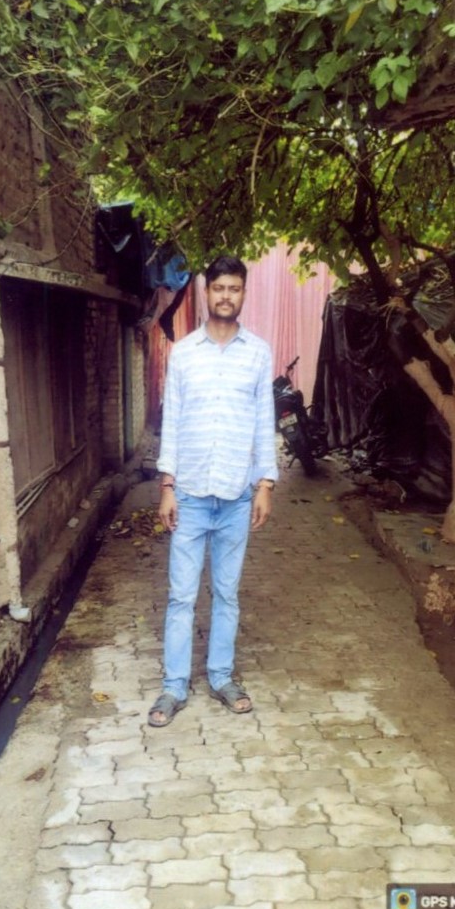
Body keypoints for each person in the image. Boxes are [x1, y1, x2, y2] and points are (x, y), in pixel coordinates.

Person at [148, 255, 278, 727]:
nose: (226, 296)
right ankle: (173, 687)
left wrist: (265, 484)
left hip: (236, 496)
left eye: (234, 288)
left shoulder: (258, 353)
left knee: (227, 594)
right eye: (218, 288)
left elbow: (264, 422)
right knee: (182, 596)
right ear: (207, 292)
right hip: (191, 496)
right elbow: (172, 423)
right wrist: (167, 485)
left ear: (243, 293)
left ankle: (221, 677)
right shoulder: (184, 353)